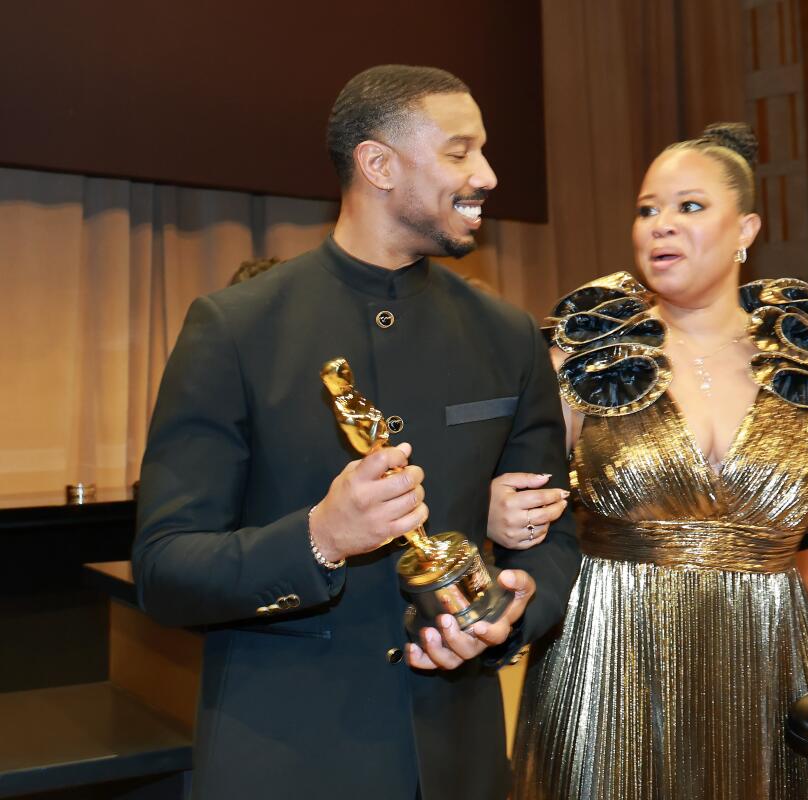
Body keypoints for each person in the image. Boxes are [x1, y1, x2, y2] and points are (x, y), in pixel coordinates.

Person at [133, 65, 582, 800]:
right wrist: (321, 537)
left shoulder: (507, 336)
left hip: (459, 766)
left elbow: (554, 535)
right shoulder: (235, 329)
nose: (489, 175)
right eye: (461, 151)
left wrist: (518, 605)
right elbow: (165, 571)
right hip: (282, 764)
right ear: (378, 165)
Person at [489, 123, 808, 799]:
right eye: (648, 209)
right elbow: (517, 491)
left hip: (767, 660)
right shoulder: (589, 359)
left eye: (689, 207)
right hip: (606, 663)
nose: (660, 225)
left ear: (745, 229)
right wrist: (495, 508)